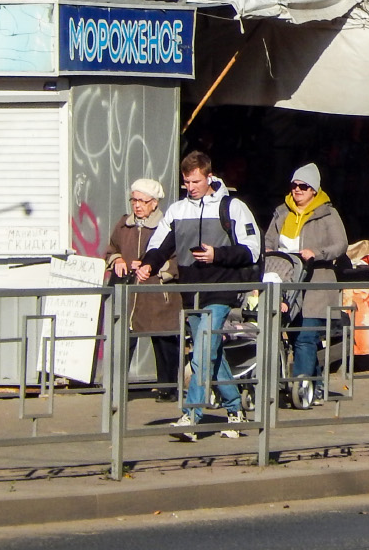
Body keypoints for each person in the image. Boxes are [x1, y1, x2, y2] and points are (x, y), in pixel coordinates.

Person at [138, 151, 262, 441]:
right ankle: (235, 409)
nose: (191, 187)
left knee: (203, 351)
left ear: (209, 177)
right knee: (212, 354)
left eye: (195, 181)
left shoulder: (233, 207)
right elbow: (161, 244)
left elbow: (252, 248)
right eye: (186, 182)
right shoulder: (178, 210)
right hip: (190, 292)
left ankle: (191, 415)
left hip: (220, 290)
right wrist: (148, 265)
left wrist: (217, 254)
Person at [266, 164, 348, 405]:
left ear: (314, 190)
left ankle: (300, 390)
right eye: (294, 185)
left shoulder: (327, 214)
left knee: (306, 337)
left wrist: (317, 253)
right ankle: (317, 386)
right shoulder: (281, 212)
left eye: (303, 186)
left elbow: (340, 244)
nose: (297, 190)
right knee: (295, 338)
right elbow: (269, 238)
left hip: (316, 287)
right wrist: (269, 250)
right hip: (288, 286)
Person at [104, 178, 181, 401]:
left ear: (154, 203)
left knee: (164, 342)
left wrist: (155, 269)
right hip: (129, 293)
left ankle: (168, 388)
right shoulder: (123, 224)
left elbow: (177, 260)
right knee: (124, 340)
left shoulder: (167, 225)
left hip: (158, 293)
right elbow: (111, 249)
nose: (137, 205)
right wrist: (117, 260)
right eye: (134, 200)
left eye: (142, 201)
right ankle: (116, 389)